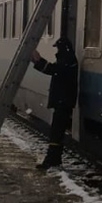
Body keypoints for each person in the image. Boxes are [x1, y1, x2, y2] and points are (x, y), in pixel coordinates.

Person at [29, 37, 79, 169]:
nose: (57, 50)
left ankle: (52, 159)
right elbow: (55, 69)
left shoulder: (67, 60)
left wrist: (39, 61)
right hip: (63, 101)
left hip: (63, 102)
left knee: (56, 132)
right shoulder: (69, 59)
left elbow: (54, 70)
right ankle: (53, 158)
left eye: (58, 47)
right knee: (56, 131)